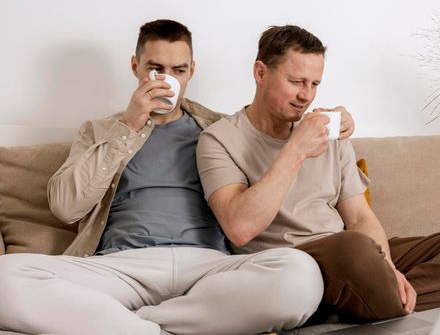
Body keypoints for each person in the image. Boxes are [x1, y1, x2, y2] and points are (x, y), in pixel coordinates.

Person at [0, 19, 370, 335]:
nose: (167, 80)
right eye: (155, 68)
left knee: (300, 276)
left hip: (208, 270)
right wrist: (128, 126)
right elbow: (66, 207)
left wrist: (337, 118)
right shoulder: (101, 131)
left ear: (192, 70)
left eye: (178, 70)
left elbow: (279, 143)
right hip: (119, 267)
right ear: (135, 67)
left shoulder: (222, 130)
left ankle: (132, 325)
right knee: (4, 277)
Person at [196, 24, 440, 323]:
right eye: (296, 82)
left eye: (314, 84)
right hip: (293, 265)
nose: (306, 96)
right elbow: (239, 228)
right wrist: (295, 150)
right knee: (353, 248)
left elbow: (360, 217)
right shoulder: (220, 139)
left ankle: (375, 300)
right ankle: (371, 298)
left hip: (357, 258)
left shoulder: (328, 131)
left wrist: (389, 270)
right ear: (260, 72)